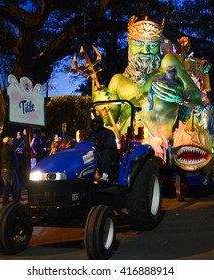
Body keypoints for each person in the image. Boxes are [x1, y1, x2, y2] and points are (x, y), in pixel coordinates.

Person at [92, 16, 202, 164]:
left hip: (162, 148)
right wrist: (100, 105)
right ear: (129, 43)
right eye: (139, 43)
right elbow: (108, 121)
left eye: (152, 45)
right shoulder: (117, 81)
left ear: (159, 44)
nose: (145, 50)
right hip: (126, 149)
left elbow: (197, 96)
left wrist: (182, 96)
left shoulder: (168, 64)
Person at [86, 116, 118, 182]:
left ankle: (105, 176)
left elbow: (112, 144)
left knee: (106, 153)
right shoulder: (89, 134)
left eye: (97, 123)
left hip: (106, 153)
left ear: (101, 124)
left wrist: (102, 145)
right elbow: (85, 142)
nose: (95, 124)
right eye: (94, 123)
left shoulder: (108, 132)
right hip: (93, 152)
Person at [0, 129, 26, 205]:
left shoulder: (4, 149)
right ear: (8, 142)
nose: (12, 141)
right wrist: (23, 136)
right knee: (16, 186)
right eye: (10, 141)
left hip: (4, 171)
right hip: (10, 171)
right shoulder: (9, 149)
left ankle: (5, 203)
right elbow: (16, 145)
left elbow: (14, 145)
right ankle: (16, 202)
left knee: (7, 187)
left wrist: (17, 138)